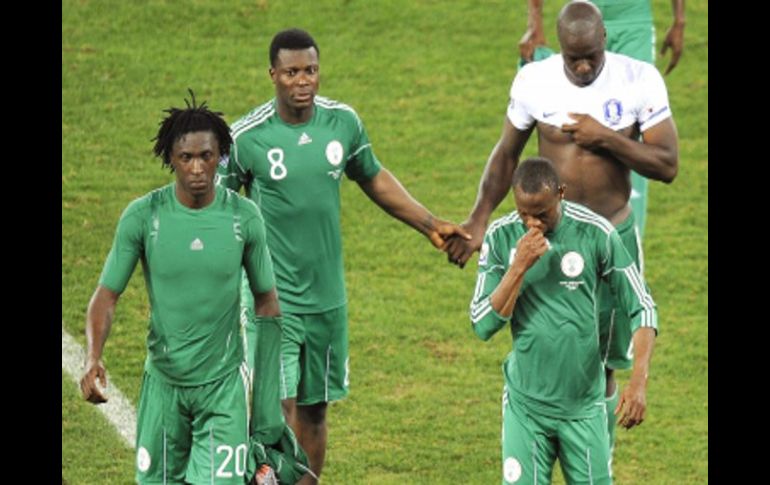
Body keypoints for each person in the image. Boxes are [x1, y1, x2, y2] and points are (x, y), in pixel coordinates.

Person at [217, 28, 471, 484]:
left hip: (328, 300)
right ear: (272, 74)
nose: (303, 81)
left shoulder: (342, 123)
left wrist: (431, 225)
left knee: (315, 411)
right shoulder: (246, 138)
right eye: (292, 72)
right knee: (278, 407)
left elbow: (372, 177)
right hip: (272, 302)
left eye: (310, 70)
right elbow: (215, 208)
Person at [445, 0, 678, 466]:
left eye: (592, 54)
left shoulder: (639, 79)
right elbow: (507, 155)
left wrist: (607, 138)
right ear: (561, 49)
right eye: (574, 58)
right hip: (552, 241)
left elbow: (668, 165)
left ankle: (596, 457)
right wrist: (477, 219)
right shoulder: (536, 80)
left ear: (605, 39)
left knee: (608, 361)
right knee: (546, 344)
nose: (585, 65)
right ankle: (533, 438)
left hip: (610, 239)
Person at [79, 91, 302, 484]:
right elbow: (106, 296)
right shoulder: (144, 217)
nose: (198, 167)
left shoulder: (244, 218)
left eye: (207, 156)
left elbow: (268, 303)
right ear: (170, 159)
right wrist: (93, 356)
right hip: (163, 387)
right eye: (187, 157)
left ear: (222, 157)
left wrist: (267, 403)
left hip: (222, 390)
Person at [470, 156, 658, 484]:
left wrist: (639, 380)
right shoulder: (501, 237)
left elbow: (641, 305)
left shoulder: (595, 233)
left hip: (583, 409)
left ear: (560, 193)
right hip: (526, 408)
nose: (533, 224)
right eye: (524, 213)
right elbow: (483, 324)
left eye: (542, 214)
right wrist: (519, 267)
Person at [517, 0, 685, 239]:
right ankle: (573, 241)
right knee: (572, 136)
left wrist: (679, 20)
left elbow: (664, 163)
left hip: (632, 18)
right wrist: (535, 24)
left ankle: (624, 249)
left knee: (634, 140)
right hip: (582, 21)